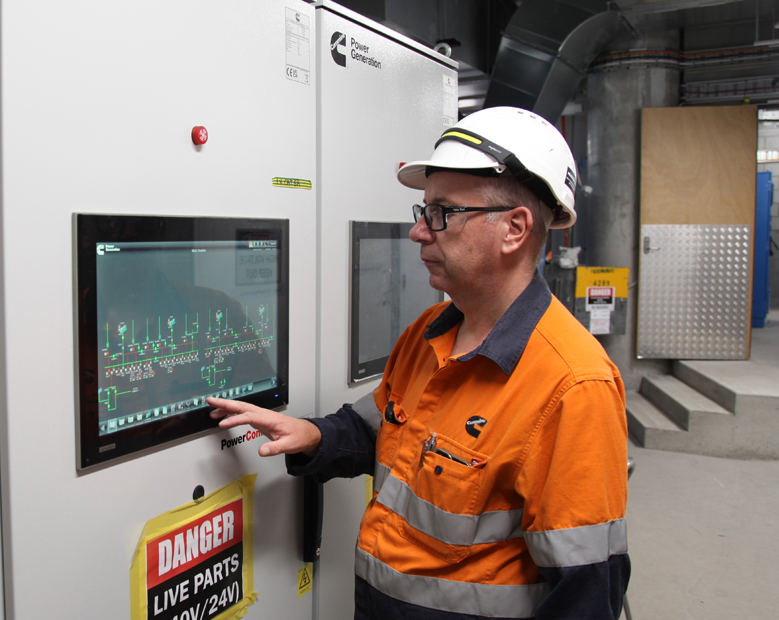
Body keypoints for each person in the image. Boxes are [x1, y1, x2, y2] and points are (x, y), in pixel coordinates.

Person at [207, 106, 630, 620]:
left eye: (443, 213)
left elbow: (583, 597)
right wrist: (314, 436)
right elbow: (382, 429)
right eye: (423, 211)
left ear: (515, 229)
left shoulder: (572, 386)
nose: (419, 232)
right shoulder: (428, 333)